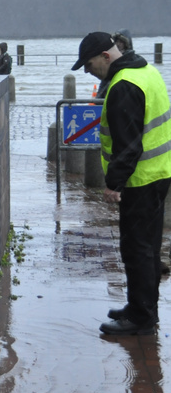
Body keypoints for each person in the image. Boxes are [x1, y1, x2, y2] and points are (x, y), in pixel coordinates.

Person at [71, 31, 171, 335]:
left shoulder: (123, 86)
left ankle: (140, 318)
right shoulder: (145, 71)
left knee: (136, 248)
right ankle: (142, 306)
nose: (88, 71)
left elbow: (128, 144)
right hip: (159, 173)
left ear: (105, 56)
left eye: (89, 65)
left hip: (139, 180)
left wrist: (114, 184)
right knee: (149, 247)